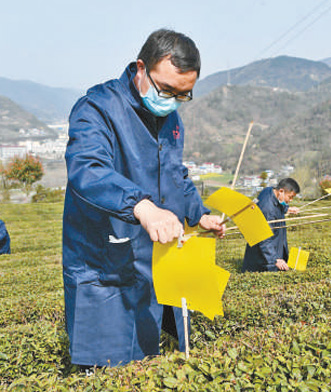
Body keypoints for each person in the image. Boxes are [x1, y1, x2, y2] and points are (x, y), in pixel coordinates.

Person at [63, 29, 225, 368]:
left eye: (184, 95)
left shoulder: (170, 118)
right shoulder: (98, 108)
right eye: (166, 90)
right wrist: (141, 206)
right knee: (108, 364)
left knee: (149, 360)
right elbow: (87, 170)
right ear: (141, 68)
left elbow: (174, 173)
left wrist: (198, 215)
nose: (172, 101)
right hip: (105, 256)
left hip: (155, 255)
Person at [241, 178, 300, 273]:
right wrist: (274, 260)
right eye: (290, 197)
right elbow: (264, 239)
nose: (291, 200)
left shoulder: (268, 190)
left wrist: (287, 209)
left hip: (274, 241)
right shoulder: (268, 210)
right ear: (281, 191)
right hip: (264, 254)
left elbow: (277, 203)